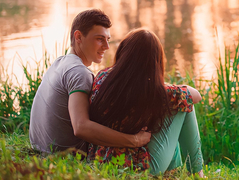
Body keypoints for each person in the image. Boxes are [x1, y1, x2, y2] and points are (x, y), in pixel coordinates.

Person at [29, 9, 151, 153]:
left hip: (39, 148)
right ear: (78, 37)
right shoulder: (79, 72)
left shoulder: (59, 63)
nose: (106, 46)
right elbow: (81, 127)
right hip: (65, 156)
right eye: (100, 39)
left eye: (108, 40)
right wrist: (134, 140)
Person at [87, 28, 205, 177]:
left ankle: (171, 175)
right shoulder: (154, 92)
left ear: (123, 52)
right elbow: (195, 95)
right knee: (184, 105)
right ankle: (197, 173)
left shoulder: (103, 76)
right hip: (136, 169)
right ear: (154, 62)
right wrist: (165, 87)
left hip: (100, 161)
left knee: (176, 104)